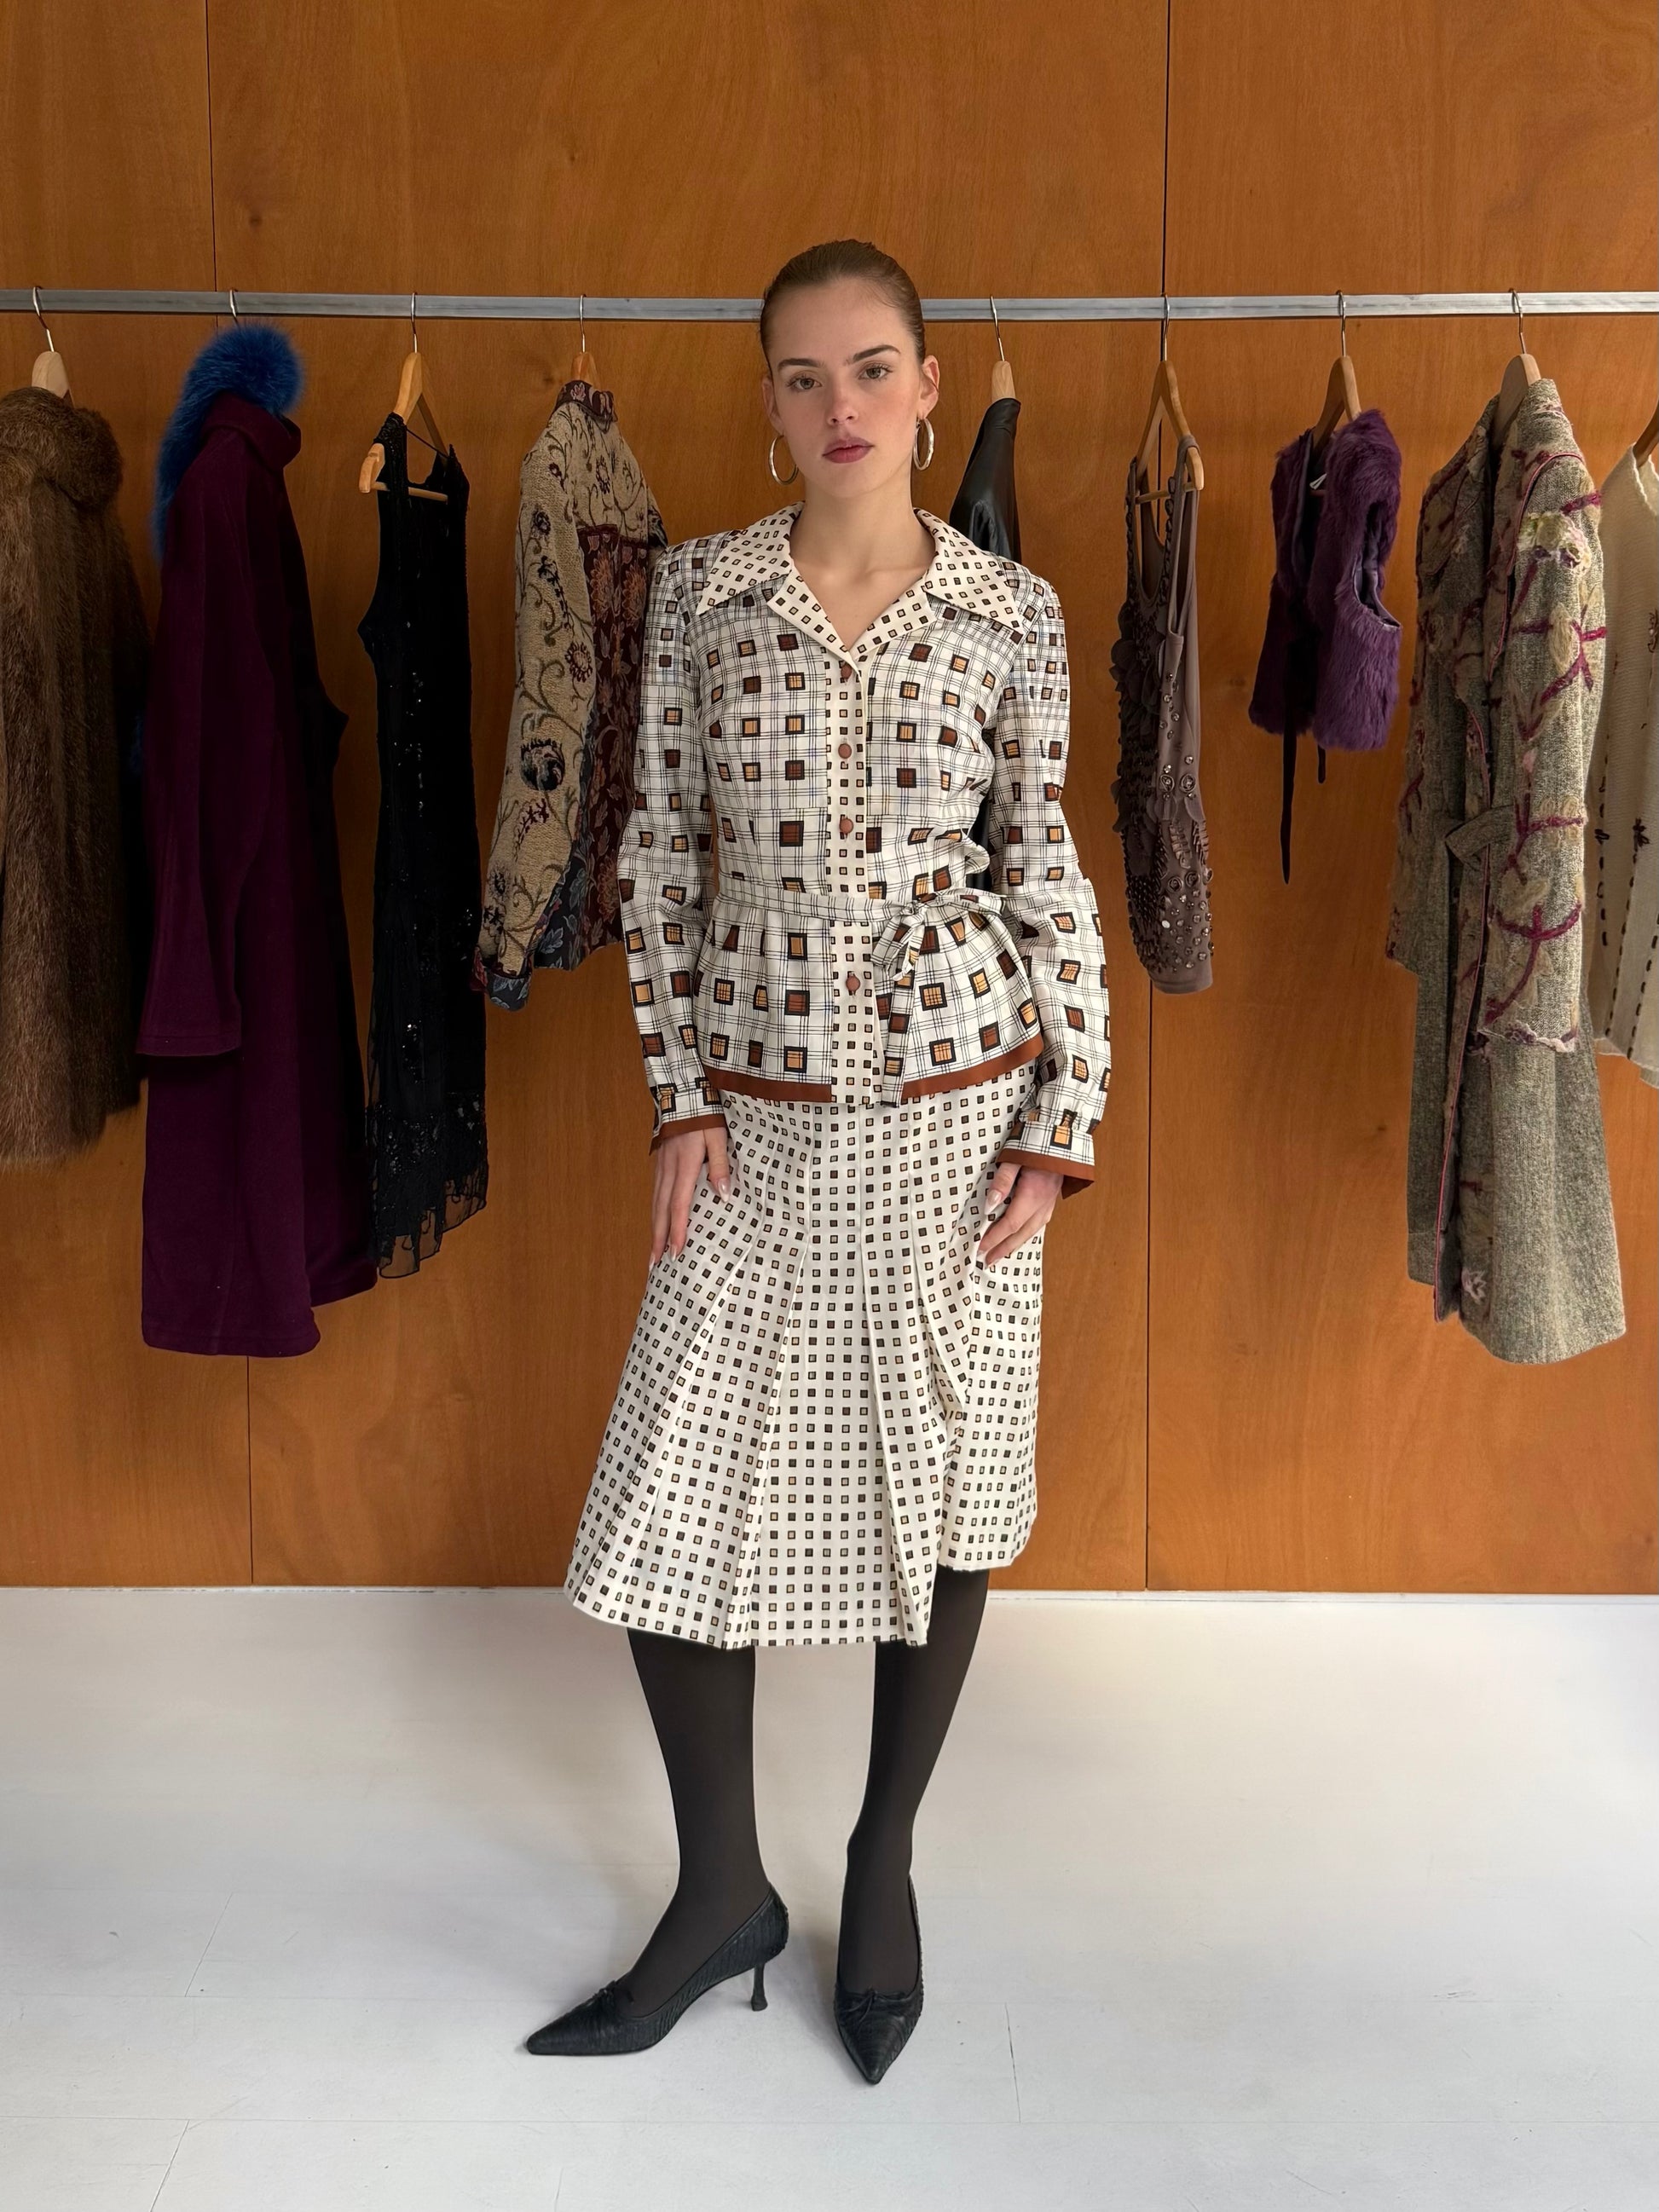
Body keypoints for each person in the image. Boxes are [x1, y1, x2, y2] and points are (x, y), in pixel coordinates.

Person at [526, 239, 1111, 2082]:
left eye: (871, 369)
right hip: (756, 1118)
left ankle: (882, 1854)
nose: (839, 407)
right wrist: (678, 1093)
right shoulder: (702, 597)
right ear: (765, 398)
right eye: (802, 375)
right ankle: (721, 1888)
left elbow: (1044, 872)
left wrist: (1064, 1118)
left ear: (930, 387)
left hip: (959, 1113)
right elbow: (654, 860)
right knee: (667, 1499)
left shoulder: (1011, 613)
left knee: (942, 1487)